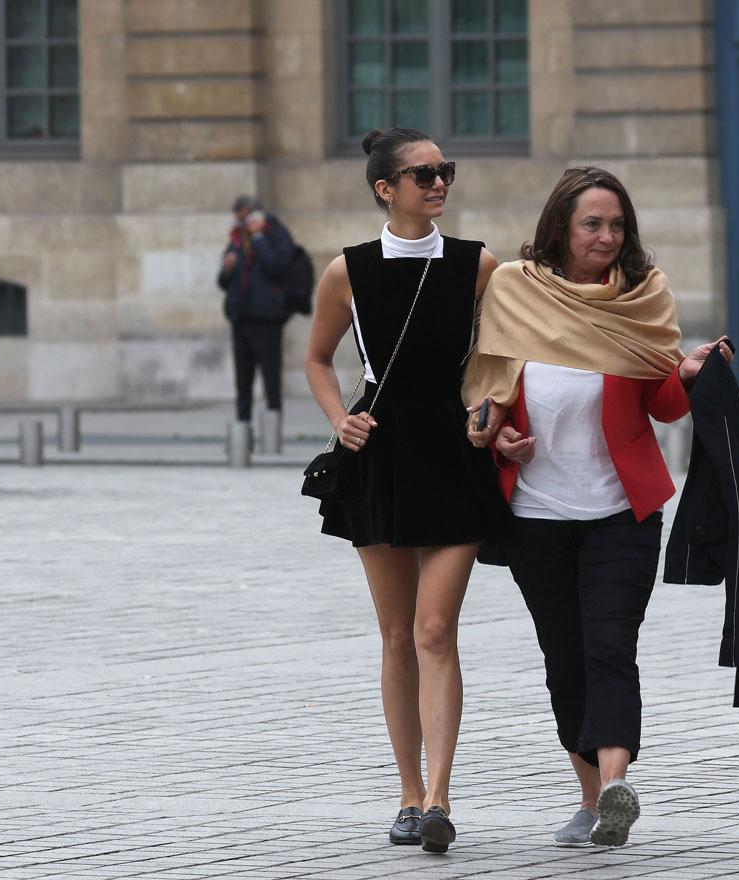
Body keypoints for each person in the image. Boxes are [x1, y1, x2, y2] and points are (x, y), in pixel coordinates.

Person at [463, 166, 732, 848]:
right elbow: (485, 397)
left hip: (623, 513)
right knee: (565, 658)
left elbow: (661, 402)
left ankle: (616, 784)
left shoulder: (643, 295)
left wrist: (688, 375)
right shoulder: (514, 291)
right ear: (561, 227)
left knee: (611, 646)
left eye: (617, 225)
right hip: (536, 517)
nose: (607, 237)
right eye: (593, 224)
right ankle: (590, 800)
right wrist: (501, 439)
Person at [303, 128, 504, 854]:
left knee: (434, 629)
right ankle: (408, 793)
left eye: (444, 171)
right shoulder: (347, 272)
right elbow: (318, 359)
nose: (439, 183)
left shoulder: (478, 264)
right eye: (423, 174)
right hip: (380, 458)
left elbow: (510, 354)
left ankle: (442, 797)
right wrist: (340, 420)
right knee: (395, 636)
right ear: (385, 188)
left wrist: (497, 416)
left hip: (453, 454)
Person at [217, 195, 296, 426]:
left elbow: (278, 266)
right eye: (239, 221)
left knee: (270, 376)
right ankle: (243, 426)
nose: (242, 225)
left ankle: (273, 430)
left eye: (245, 219)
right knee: (243, 378)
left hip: (267, 317)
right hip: (240, 317)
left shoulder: (275, 234)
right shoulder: (237, 239)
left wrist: (259, 237)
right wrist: (226, 269)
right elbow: (223, 282)